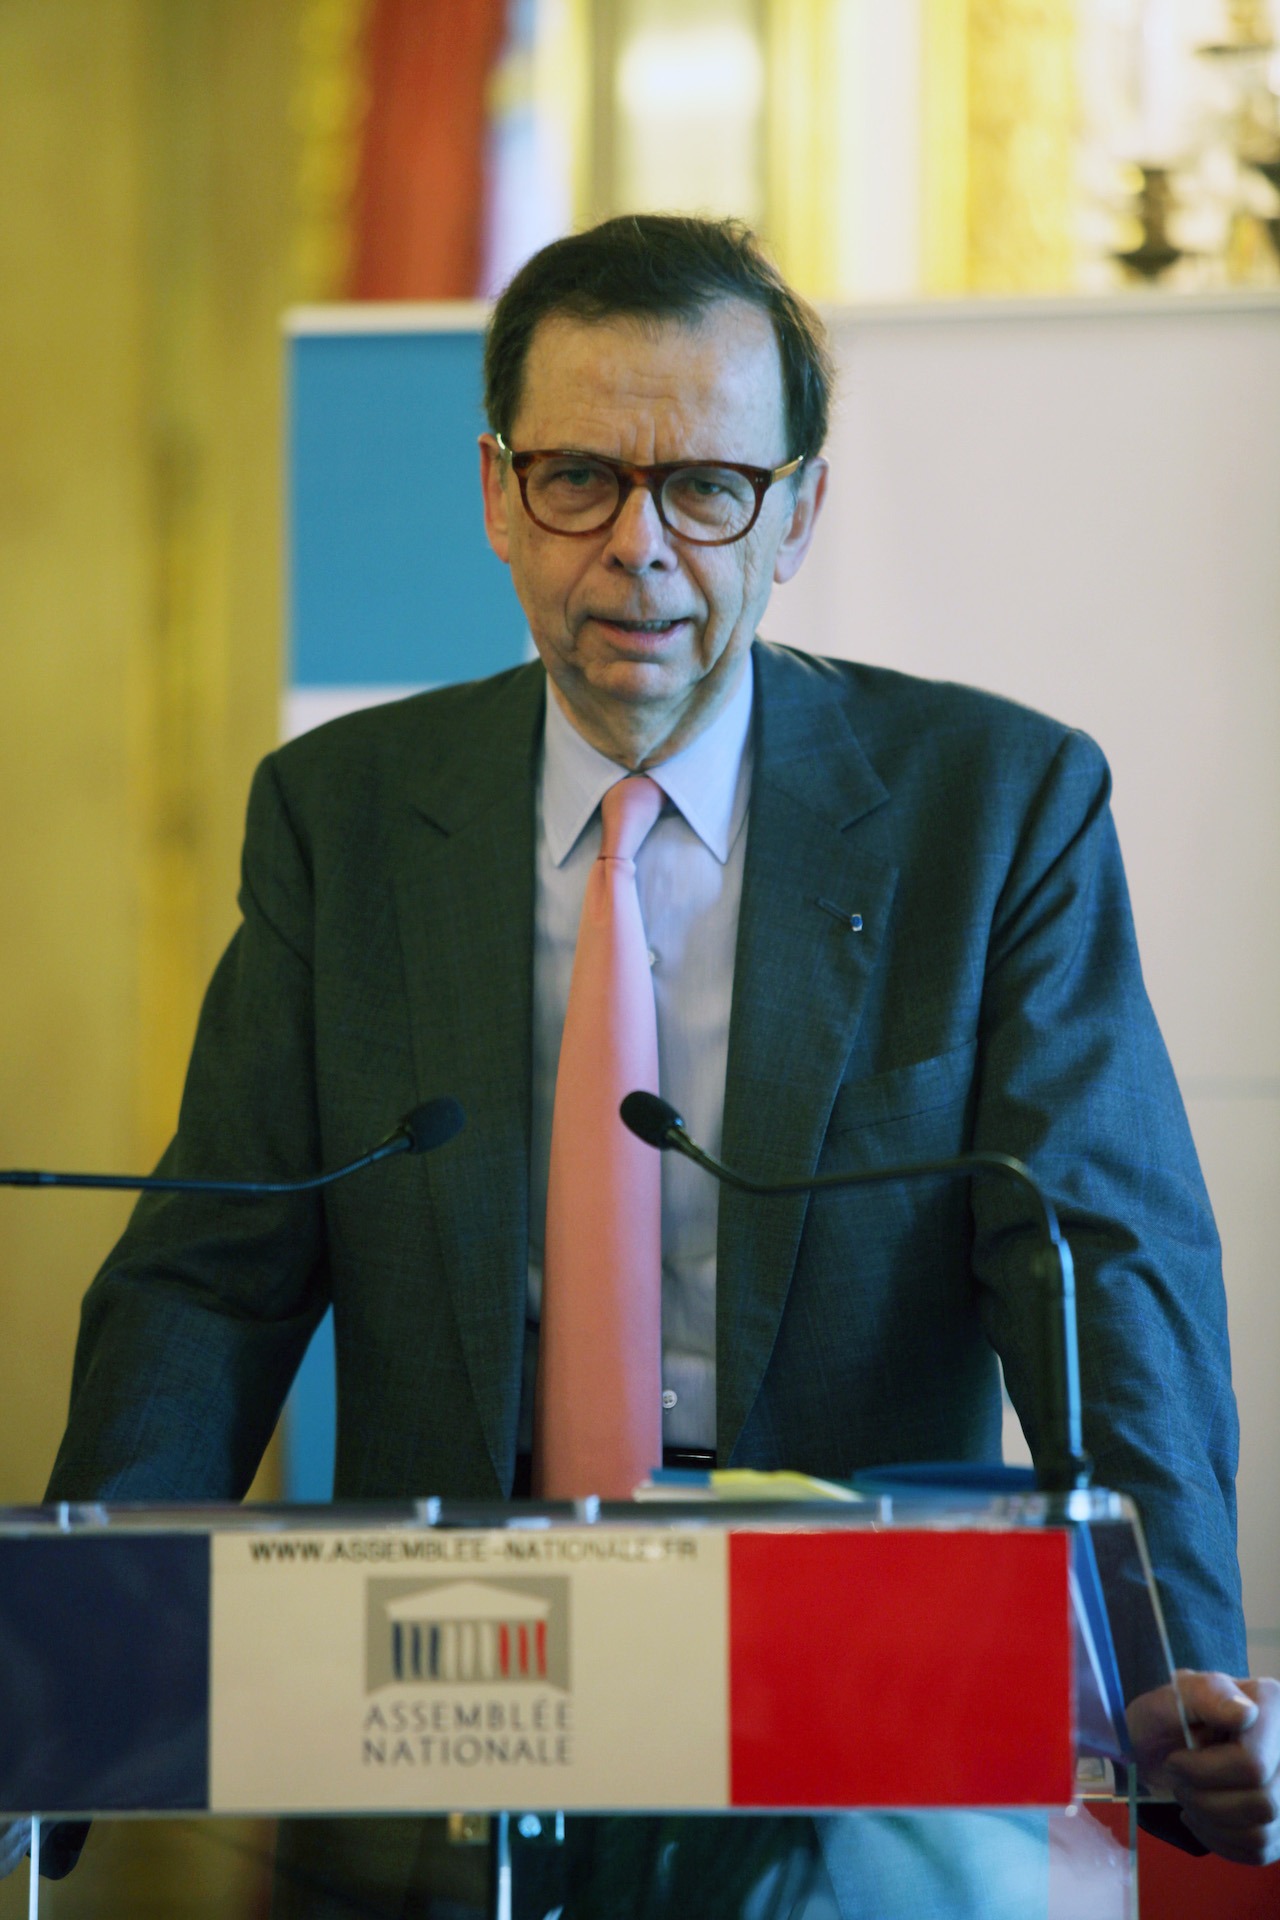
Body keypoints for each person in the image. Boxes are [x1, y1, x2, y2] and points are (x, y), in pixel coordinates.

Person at [13, 214, 1280, 1911]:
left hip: (857, 1688)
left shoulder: (996, 810)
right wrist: (66, 1691)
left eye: (708, 487)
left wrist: (1182, 1672)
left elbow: (1102, 1263)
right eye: (579, 480)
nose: (642, 550)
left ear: (802, 509)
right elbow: (213, 1276)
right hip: (440, 1684)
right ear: (493, 494)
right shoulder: (347, 818)